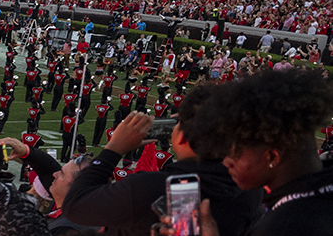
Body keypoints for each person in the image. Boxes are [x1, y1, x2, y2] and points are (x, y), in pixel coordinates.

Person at [62, 96, 260, 236]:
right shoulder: (250, 188)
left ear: (182, 137)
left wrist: (114, 148)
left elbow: (75, 206)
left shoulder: (155, 187)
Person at [178, 68, 333, 235]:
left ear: (272, 156)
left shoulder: (285, 226)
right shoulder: (318, 198)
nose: (226, 161)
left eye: (234, 151)